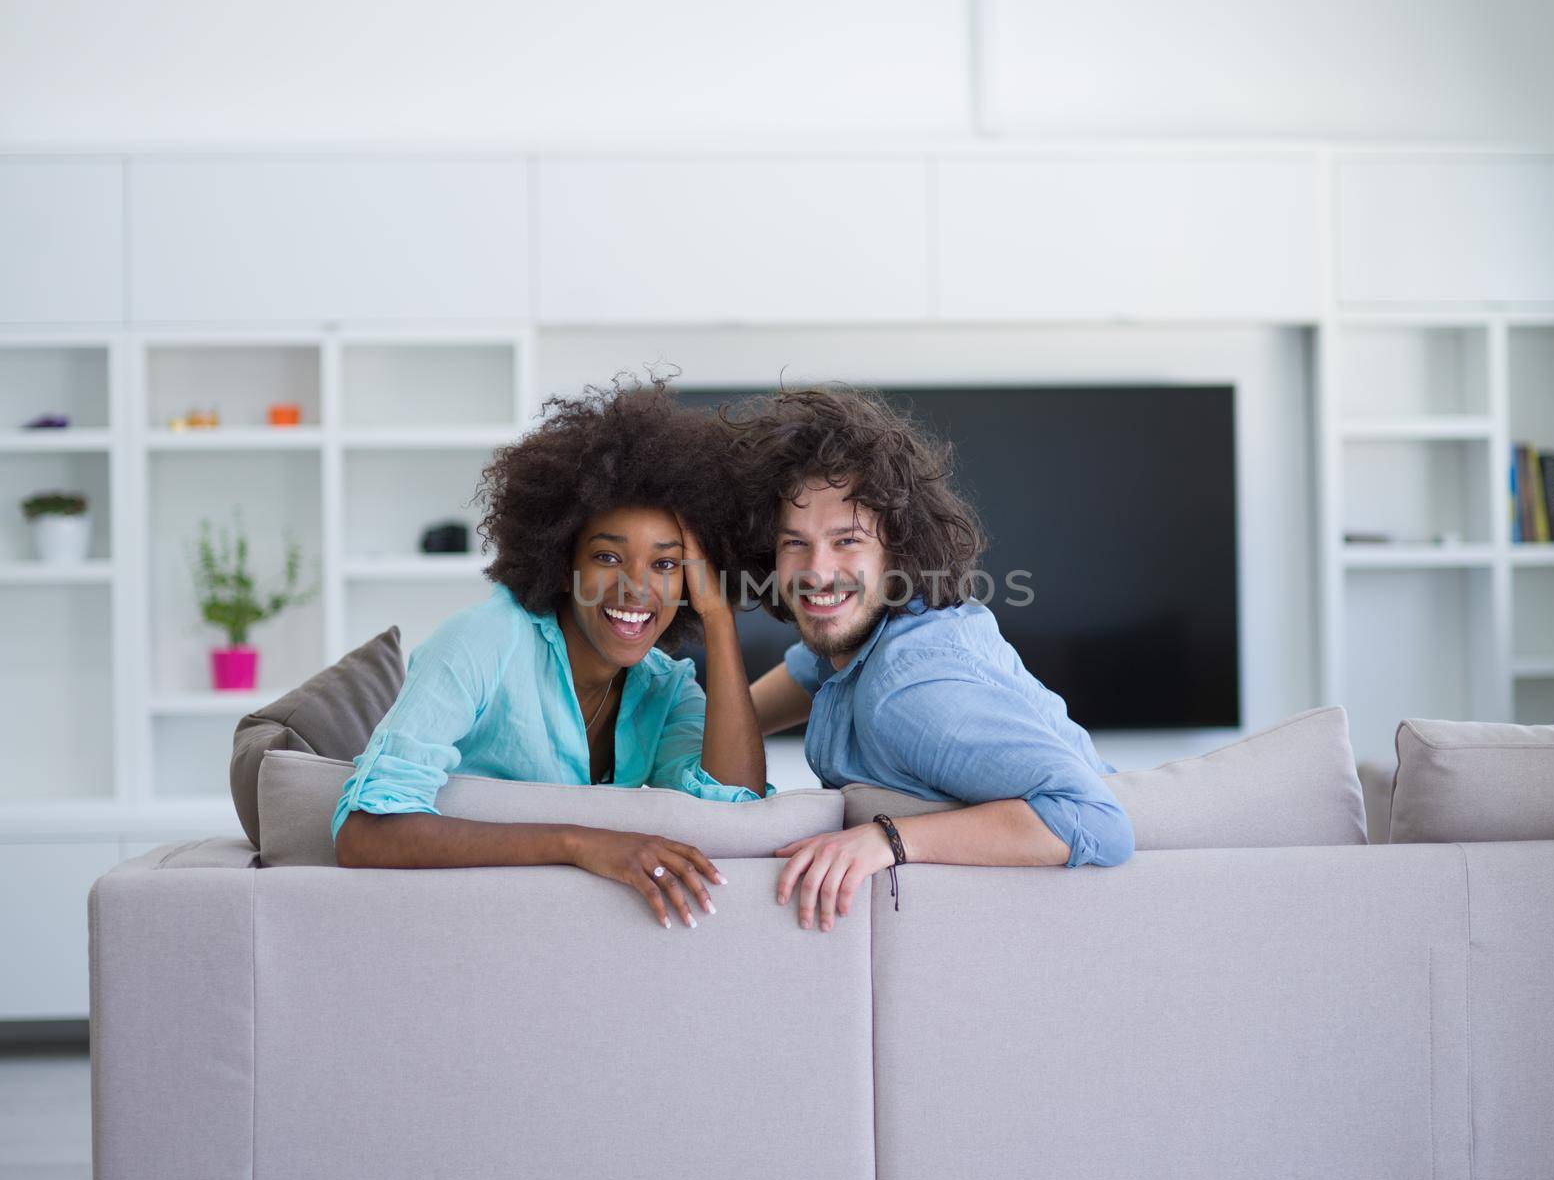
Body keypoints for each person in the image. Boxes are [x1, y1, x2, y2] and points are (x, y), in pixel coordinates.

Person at [332, 379, 769, 931]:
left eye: (665, 564)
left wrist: (719, 618)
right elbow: (364, 831)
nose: (637, 588)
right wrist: (578, 843)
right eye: (609, 556)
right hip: (439, 929)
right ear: (565, 564)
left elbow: (736, 809)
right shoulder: (483, 641)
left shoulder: (666, 686)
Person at [723, 387, 1135, 933]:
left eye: (847, 540)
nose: (817, 571)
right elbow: (788, 685)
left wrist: (888, 839)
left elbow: (1096, 821)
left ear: (897, 550)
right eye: (794, 543)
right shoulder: (867, 632)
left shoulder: (908, 694)